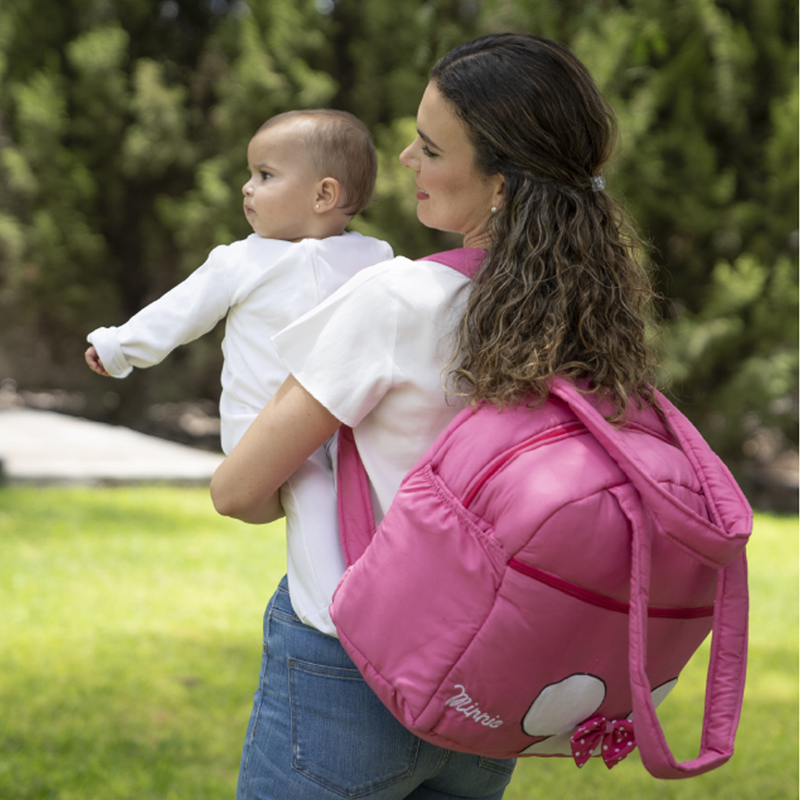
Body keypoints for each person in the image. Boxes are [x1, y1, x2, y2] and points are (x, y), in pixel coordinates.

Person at [211, 33, 658, 800]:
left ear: (501, 185)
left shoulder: (397, 299)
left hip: (347, 668)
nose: (406, 161)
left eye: (429, 147)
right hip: (487, 684)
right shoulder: (590, 316)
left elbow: (238, 491)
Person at [85, 110, 393, 631]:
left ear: (323, 195)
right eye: (251, 174)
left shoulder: (374, 258)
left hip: (346, 420)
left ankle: (393, 590)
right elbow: (178, 312)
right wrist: (119, 348)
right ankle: (334, 616)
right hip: (263, 427)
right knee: (313, 492)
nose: (247, 189)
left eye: (265, 176)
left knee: (376, 490)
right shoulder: (240, 262)